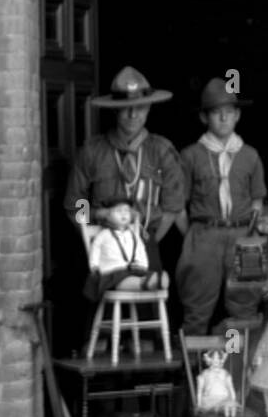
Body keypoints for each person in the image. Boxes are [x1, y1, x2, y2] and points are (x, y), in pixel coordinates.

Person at [64, 66, 185, 279]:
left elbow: (172, 206)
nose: (133, 114)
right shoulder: (92, 151)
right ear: (114, 110)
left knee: (148, 307)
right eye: (125, 108)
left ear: (149, 108)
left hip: (146, 245)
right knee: (107, 308)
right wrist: (96, 221)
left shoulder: (162, 152)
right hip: (104, 247)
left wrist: (149, 241)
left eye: (140, 107)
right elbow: (76, 203)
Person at [177, 77, 266, 335]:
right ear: (205, 118)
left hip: (242, 234)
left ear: (237, 115)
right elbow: (178, 207)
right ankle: (193, 371)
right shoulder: (190, 155)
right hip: (204, 235)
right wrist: (194, 236)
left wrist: (251, 233)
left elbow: (257, 200)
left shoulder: (250, 155)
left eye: (229, 112)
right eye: (217, 113)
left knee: (245, 304)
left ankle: (238, 370)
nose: (224, 119)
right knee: (197, 306)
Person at [83, 194, 168, 302]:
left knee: (141, 274)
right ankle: (145, 283)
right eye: (118, 211)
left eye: (127, 211)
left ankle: (155, 281)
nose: (123, 214)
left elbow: (140, 251)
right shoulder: (104, 235)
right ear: (108, 215)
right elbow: (95, 249)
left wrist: (142, 265)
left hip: (132, 270)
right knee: (122, 280)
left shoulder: (133, 235)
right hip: (112, 273)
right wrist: (94, 266)